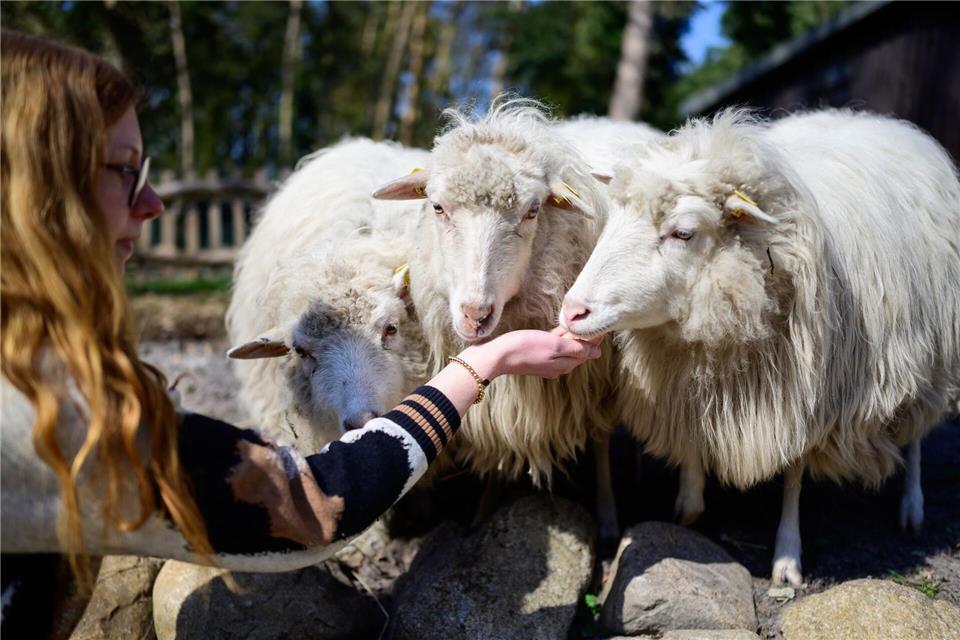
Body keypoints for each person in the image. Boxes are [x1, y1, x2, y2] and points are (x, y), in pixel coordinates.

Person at [0, 30, 603, 636]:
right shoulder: (45, 415)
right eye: (126, 171)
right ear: (35, 189)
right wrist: (478, 367)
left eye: (147, 171)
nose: (154, 202)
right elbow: (308, 508)